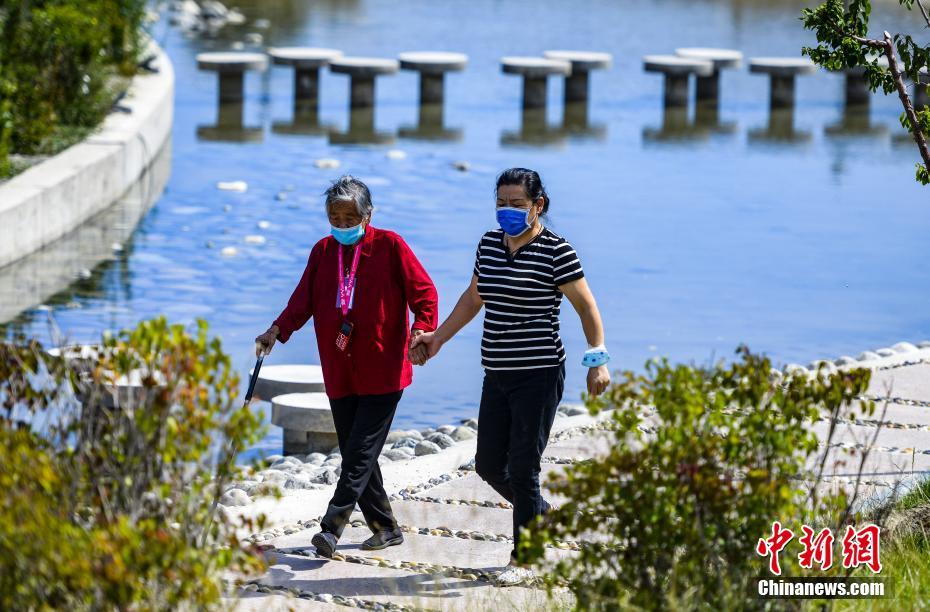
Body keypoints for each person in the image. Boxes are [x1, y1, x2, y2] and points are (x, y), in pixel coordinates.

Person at [410, 167, 611, 586]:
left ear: (538, 205)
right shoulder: (488, 244)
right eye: (501, 203)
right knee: (488, 464)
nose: (507, 211)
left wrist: (597, 359)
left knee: (523, 466)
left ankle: (526, 559)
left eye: (517, 204)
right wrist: (438, 338)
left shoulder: (558, 252)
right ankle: (539, 514)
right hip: (496, 372)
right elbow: (473, 298)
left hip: (539, 374)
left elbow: (586, 307)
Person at [255, 175, 437, 558]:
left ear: (368, 215)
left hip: (384, 369)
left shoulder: (390, 246)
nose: (341, 225)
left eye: (349, 218)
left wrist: (421, 330)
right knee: (357, 451)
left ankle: (331, 527)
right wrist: (276, 331)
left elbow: (424, 293)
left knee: (358, 454)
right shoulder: (323, 252)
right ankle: (386, 528)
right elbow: (301, 301)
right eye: (334, 219)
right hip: (339, 370)